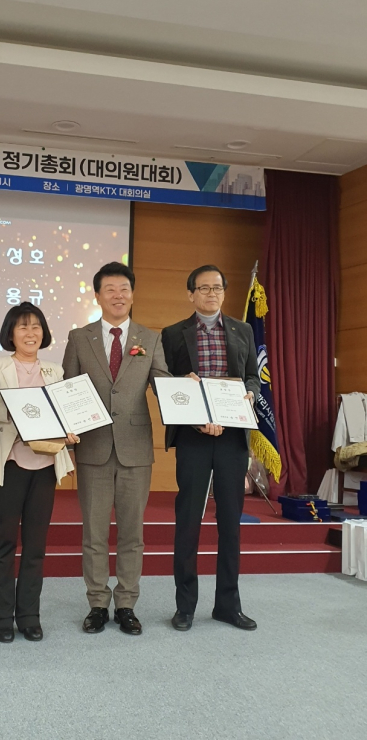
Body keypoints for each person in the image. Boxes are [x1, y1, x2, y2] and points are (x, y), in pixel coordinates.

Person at [62, 262, 170, 635]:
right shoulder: (80, 338)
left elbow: (162, 382)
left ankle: (126, 604)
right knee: (94, 532)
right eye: (110, 289)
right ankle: (96, 603)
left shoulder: (149, 338)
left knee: (131, 533)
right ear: (97, 295)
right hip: (92, 445)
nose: (118, 295)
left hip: (135, 449)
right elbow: (68, 387)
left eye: (124, 289)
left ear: (132, 294)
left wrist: (184, 389)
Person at [161, 265, 261, 632]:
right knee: (188, 521)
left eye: (217, 287)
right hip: (193, 436)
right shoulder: (173, 334)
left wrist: (250, 393)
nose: (211, 294)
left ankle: (227, 606)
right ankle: (185, 606)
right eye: (203, 288)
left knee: (230, 523)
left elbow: (252, 376)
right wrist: (190, 407)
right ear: (191, 294)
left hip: (233, 436)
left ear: (224, 292)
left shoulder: (243, 330)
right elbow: (165, 383)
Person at [0, 302, 77, 643]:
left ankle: (29, 616)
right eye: (23, 327)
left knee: (36, 544)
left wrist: (70, 429)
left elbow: (65, 412)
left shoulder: (55, 371)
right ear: (11, 333)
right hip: (10, 462)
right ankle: (1, 617)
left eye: (36, 327)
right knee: (4, 541)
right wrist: (15, 407)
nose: (30, 333)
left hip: (45, 464)